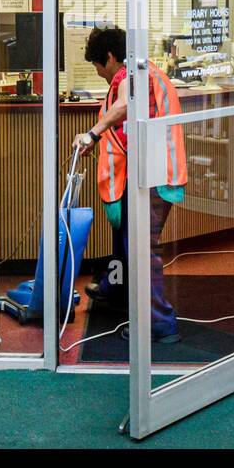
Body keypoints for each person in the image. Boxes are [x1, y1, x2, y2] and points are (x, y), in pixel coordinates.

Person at [73, 24, 186, 344]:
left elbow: (123, 106)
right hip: (141, 176)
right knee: (125, 240)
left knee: (140, 250)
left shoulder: (128, 76)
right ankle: (116, 288)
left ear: (110, 57)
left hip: (149, 178)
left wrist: (93, 134)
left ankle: (160, 324)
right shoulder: (145, 70)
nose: (99, 74)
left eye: (98, 66)